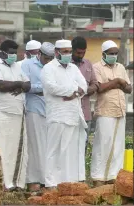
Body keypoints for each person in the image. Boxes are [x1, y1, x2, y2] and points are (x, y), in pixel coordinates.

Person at [0, 40, 31, 190]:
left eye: (15, 53)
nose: (13, 56)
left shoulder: (17, 66)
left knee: (13, 150)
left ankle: (13, 183)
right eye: (11, 52)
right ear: (3, 52)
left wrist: (19, 85)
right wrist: (19, 84)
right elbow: (0, 85)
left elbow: (28, 84)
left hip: (17, 112)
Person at [41, 40, 88, 188]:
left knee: (69, 150)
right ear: (56, 52)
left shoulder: (73, 68)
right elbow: (52, 88)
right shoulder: (48, 68)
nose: (68, 54)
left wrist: (74, 93)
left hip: (73, 114)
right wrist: (73, 90)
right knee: (53, 149)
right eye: (65, 51)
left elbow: (84, 86)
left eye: (69, 51)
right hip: (57, 114)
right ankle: (50, 183)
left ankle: (66, 182)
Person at [91, 40, 132, 187]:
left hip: (120, 110)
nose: (114, 56)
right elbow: (100, 88)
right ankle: (98, 178)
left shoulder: (120, 67)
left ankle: (113, 177)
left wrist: (115, 83)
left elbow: (128, 88)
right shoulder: (96, 67)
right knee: (103, 144)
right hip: (105, 111)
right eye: (111, 53)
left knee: (118, 146)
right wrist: (117, 82)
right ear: (103, 54)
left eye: (115, 53)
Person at [21, 42, 55, 192]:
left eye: (51, 58)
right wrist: (45, 88)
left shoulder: (54, 67)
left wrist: (47, 89)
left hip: (52, 111)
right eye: (46, 58)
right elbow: (26, 86)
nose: (48, 61)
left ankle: (47, 181)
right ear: (39, 54)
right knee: (35, 148)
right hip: (33, 110)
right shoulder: (27, 65)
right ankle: (33, 181)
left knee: (49, 147)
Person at [71, 36, 99, 138]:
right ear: (72, 50)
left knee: (83, 144)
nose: (81, 55)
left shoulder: (88, 64)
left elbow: (95, 83)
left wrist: (91, 89)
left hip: (85, 113)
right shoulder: (66, 64)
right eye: (78, 53)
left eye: (83, 53)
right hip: (70, 113)